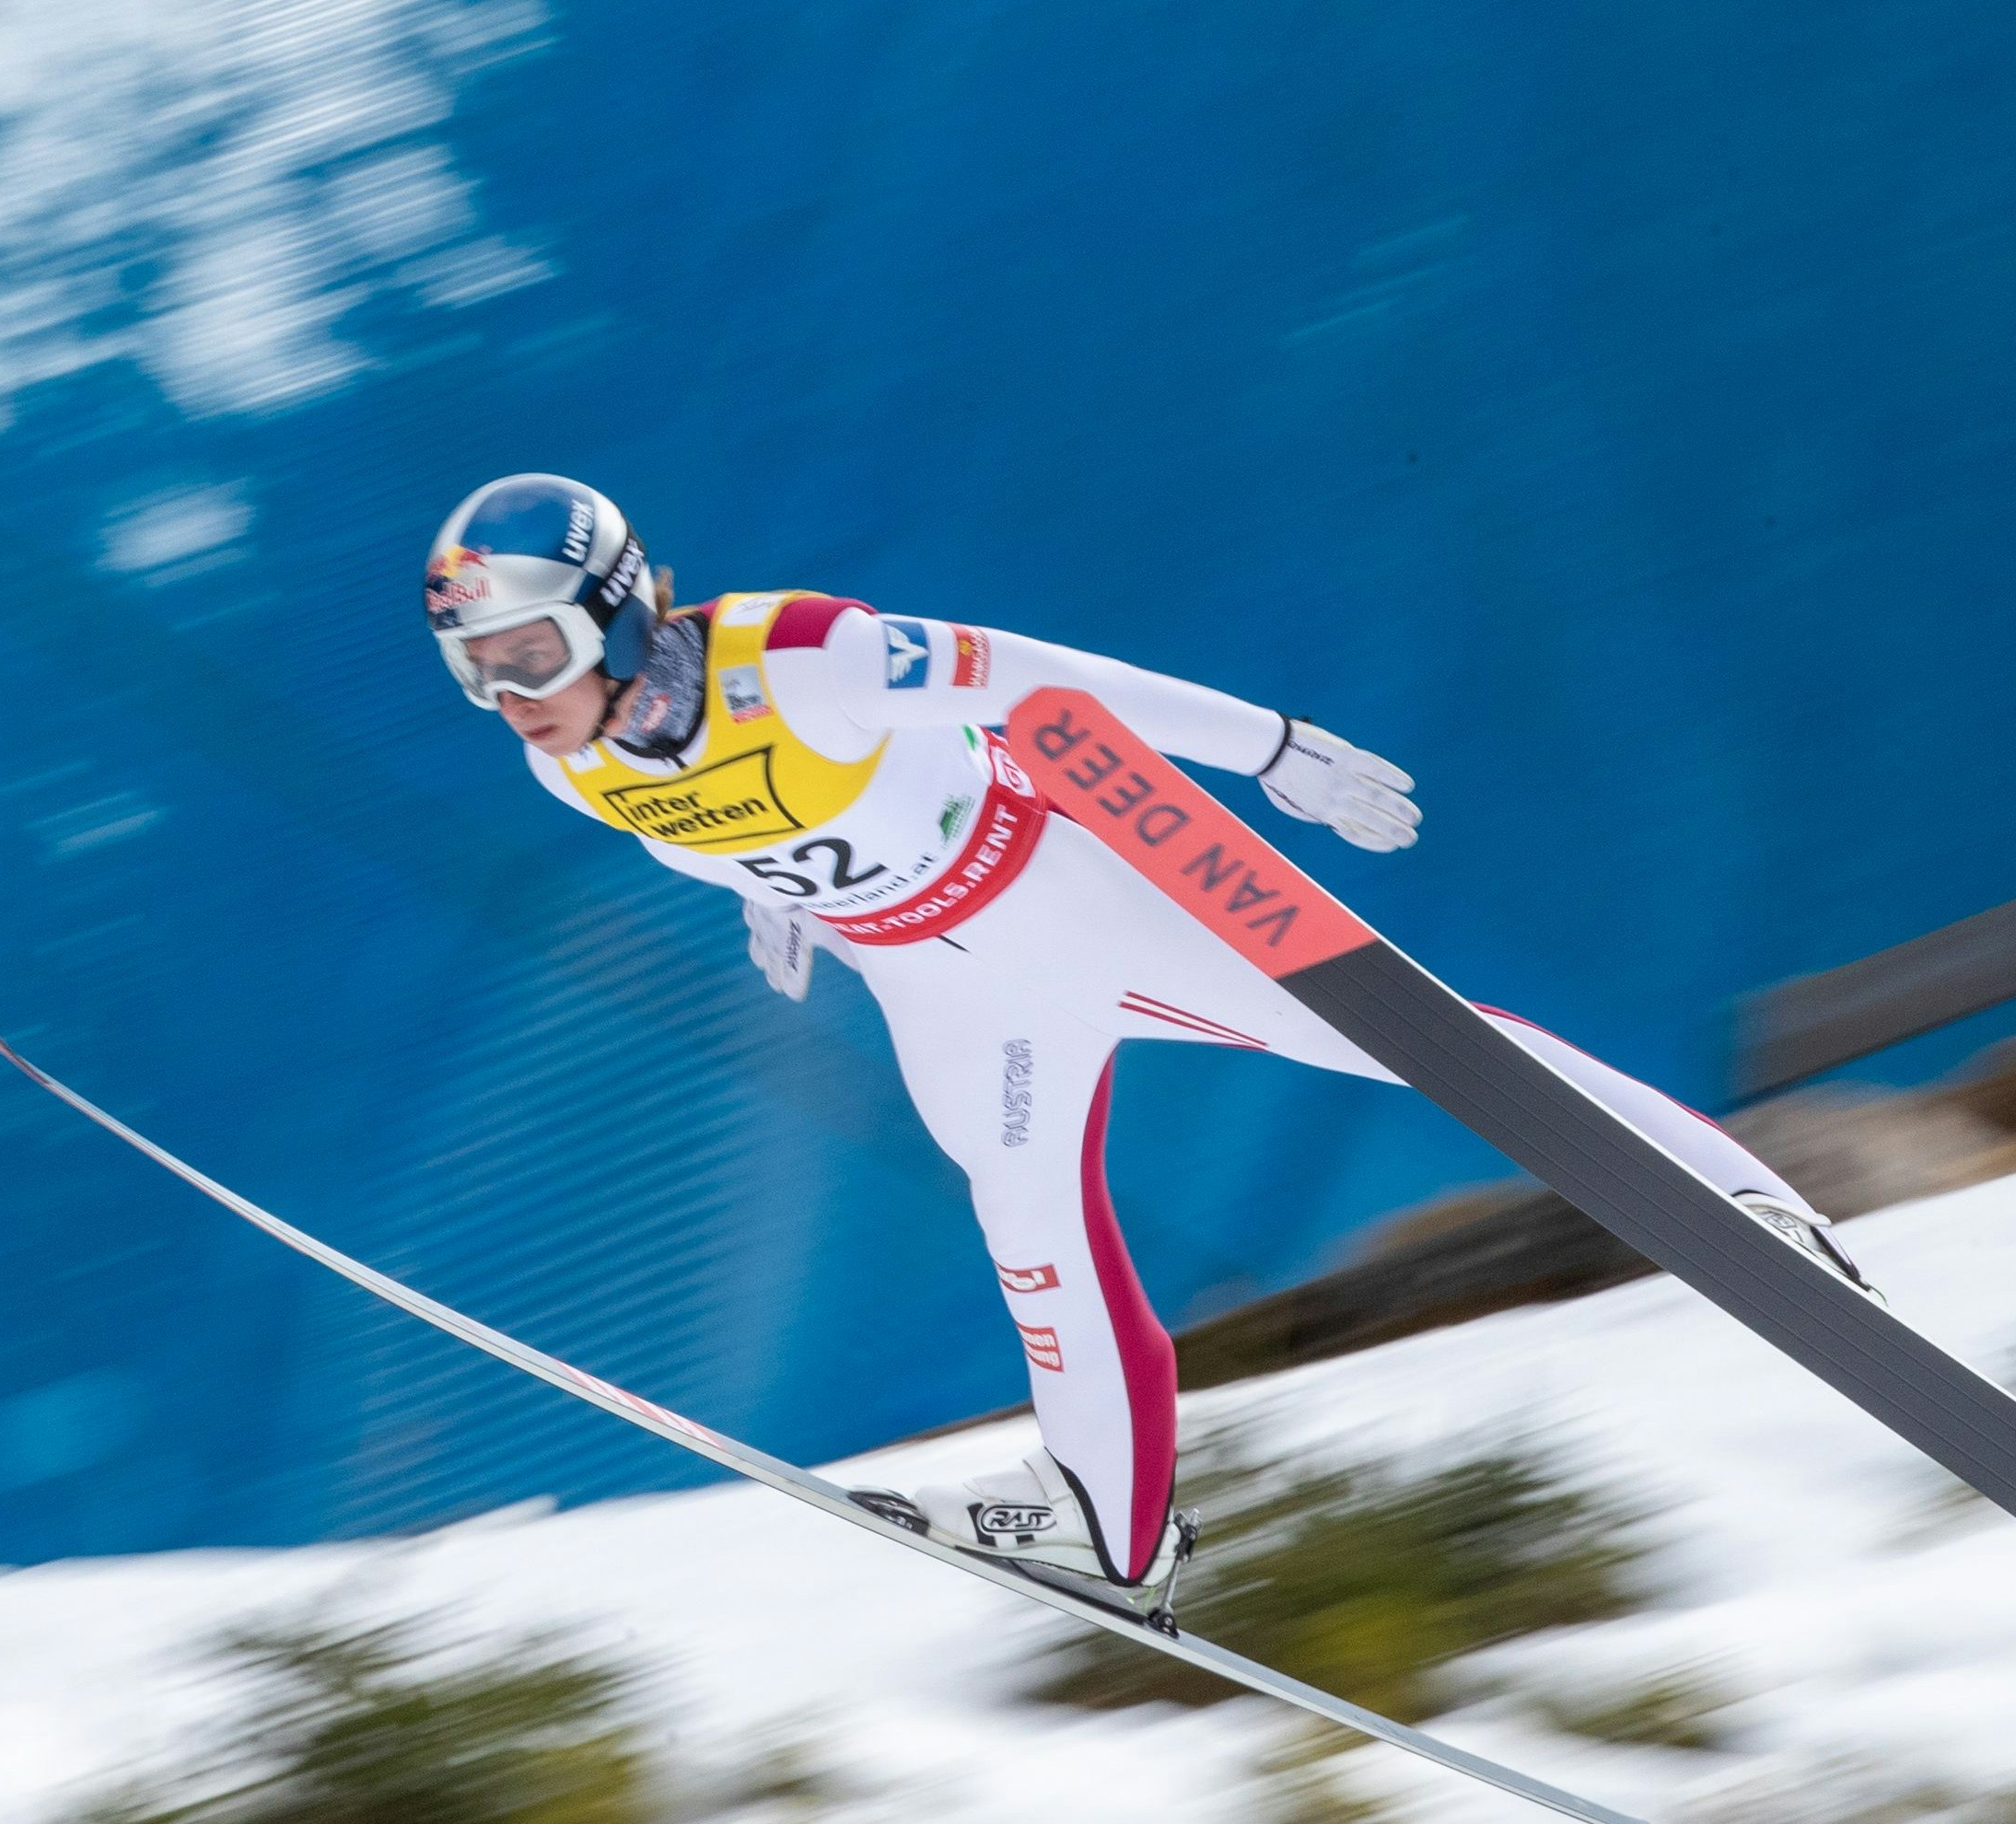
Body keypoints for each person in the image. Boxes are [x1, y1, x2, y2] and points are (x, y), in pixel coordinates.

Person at [422, 473, 1868, 1606]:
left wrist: (1275, 749)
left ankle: (1752, 1211)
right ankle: (1111, 1527)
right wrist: (775, 906)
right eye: (474, 668)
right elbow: (726, 828)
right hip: (941, 989)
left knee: (1421, 1044)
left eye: (531, 649)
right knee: (1030, 1232)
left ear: (613, 610)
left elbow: (1043, 681)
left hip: (1075, 889)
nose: (512, 693)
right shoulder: (576, 772)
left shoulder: (799, 654)